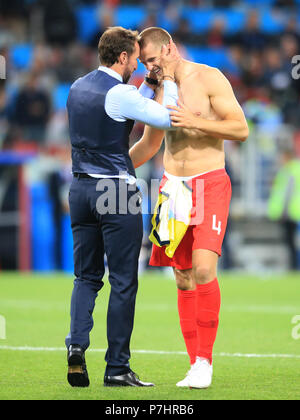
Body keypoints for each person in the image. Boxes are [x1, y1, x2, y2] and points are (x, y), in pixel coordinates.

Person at [130, 27, 249, 389]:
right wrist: (111, 168)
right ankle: (194, 364)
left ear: (170, 49)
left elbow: (240, 129)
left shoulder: (209, 77)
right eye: (143, 62)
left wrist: (195, 121)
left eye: (152, 59)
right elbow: (150, 143)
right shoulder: (157, 90)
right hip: (172, 188)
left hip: (210, 181)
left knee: (202, 268)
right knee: (181, 277)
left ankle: (205, 362)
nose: (149, 68)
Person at [65, 26, 180, 388]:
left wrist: (147, 83)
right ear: (123, 58)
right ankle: (116, 367)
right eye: (134, 56)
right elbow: (166, 116)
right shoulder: (119, 93)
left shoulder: (77, 87)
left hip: (80, 189)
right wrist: (170, 82)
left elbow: (126, 107)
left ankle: (77, 346)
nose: (137, 62)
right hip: (115, 192)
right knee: (123, 282)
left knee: (85, 277)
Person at [268, 148, 300, 270]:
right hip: (294, 211)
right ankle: (294, 266)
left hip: (290, 212)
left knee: (291, 242)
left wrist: (283, 212)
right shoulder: (292, 170)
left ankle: (294, 267)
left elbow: (288, 193)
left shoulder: (290, 171)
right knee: (291, 242)